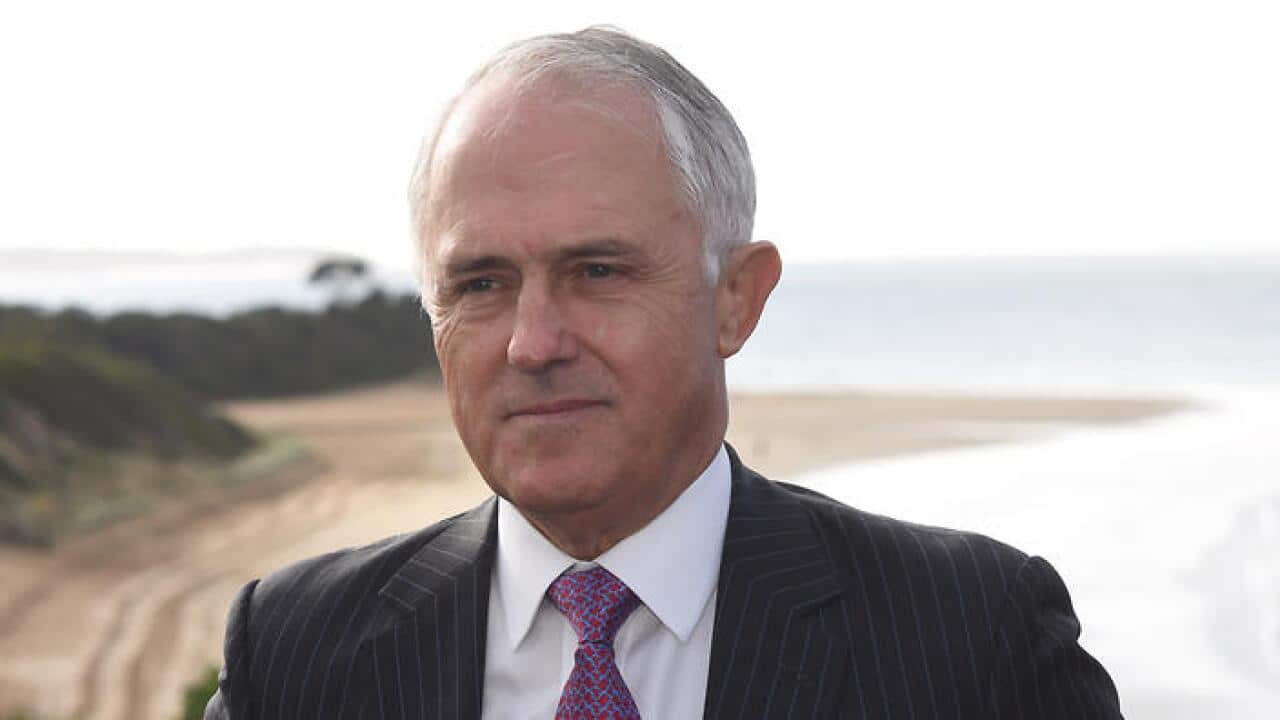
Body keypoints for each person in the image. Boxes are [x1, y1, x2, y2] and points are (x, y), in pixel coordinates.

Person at [206, 27, 1123, 719]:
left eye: (597, 271)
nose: (533, 343)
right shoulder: (294, 652)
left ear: (736, 299)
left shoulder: (970, 636)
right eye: (481, 284)